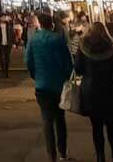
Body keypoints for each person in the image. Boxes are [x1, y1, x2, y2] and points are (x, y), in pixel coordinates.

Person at [74, 22, 113, 162]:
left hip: (90, 90)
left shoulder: (83, 46)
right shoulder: (111, 47)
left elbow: (78, 68)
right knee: (111, 125)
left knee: (96, 127)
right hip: (109, 88)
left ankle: (100, 156)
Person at [26, 11, 72, 162]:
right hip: (58, 85)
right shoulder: (58, 39)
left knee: (47, 120)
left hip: (41, 85)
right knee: (60, 119)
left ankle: (50, 155)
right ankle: (63, 153)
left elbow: (28, 61)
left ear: (39, 24)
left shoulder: (34, 40)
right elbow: (68, 61)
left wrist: (35, 75)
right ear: (51, 24)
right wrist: (66, 77)